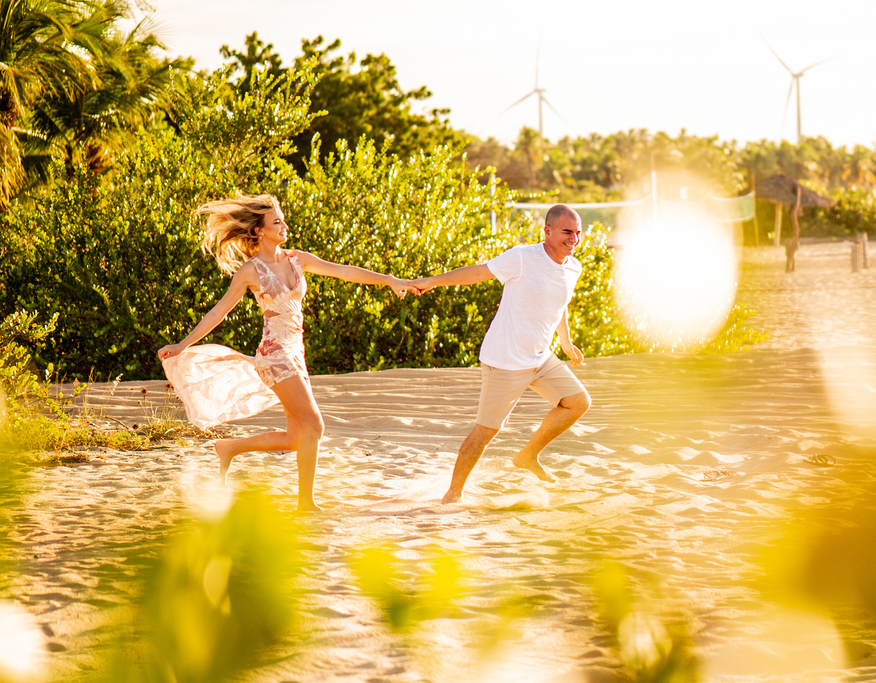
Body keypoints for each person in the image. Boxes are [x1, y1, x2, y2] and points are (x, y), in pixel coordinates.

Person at [158, 193, 411, 511]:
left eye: (283, 219)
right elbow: (217, 313)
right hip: (274, 356)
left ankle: (230, 448)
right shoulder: (251, 271)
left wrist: (388, 280)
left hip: (296, 355)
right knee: (315, 426)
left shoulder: (296, 258)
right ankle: (306, 504)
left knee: (297, 437)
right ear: (259, 231)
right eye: (276, 221)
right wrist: (182, 345)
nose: (284, 225)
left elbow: (344, 271)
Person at [407, 204, 591, 504]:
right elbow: (477, 273)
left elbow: (560, 304)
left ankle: (529, 454)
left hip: (540, 358)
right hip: (505, 360)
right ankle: (453, 494)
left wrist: (566, 342)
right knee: (486, 431)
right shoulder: (521, 257)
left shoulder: (573, 267)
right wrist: (430, 282)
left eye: (578, 233)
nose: (574, 239)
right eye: (567, 232)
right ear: (547, 231)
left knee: (577, 402)